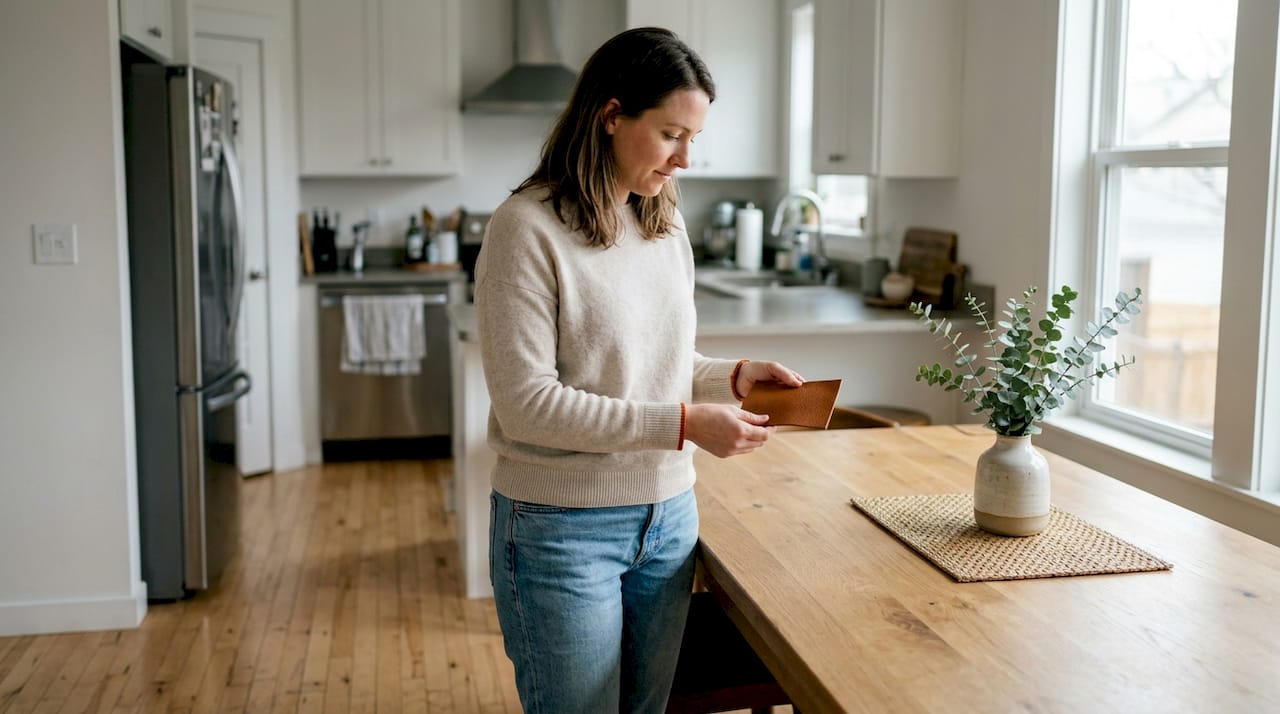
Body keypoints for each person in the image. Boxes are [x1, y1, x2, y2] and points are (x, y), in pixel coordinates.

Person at [473, 26, 804, 714]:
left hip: (668, 518)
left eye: (695, 139)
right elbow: (528, 404)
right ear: (611, 115)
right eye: (671, 134)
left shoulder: (662, 224)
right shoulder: (524, 229)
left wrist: (733, 377)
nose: (685, 159)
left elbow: (659, 362)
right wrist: (685, 423)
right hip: (560, 527)